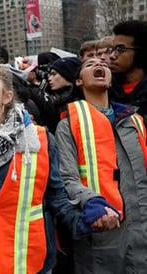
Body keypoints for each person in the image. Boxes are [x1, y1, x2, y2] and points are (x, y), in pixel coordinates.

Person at [0, 61, 117, 274]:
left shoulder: (41, 141)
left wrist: (86, 221)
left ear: (6, 97)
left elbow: (58, 200)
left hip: (36, 268)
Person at [55, 57, 146, 273]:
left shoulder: (135, 121)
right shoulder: (67, 125)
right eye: (90, 64)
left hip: (142, 230)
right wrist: (91, 203)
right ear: (78, 82)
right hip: (101, 231)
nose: (99, 66)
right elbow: (66, 178)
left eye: (104, 65)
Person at [109, 20, 147, 128]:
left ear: (141, 52)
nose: (112, 55)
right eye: (112, 49)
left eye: (120, 49)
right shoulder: (106, 89)